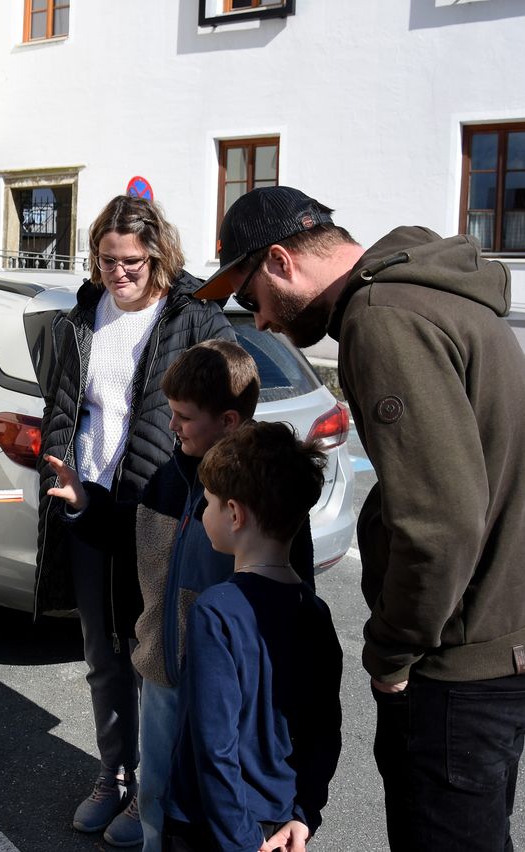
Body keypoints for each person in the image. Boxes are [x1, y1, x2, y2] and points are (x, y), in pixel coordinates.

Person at [196, 184, 525, 851]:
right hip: (499, 644)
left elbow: (440, 524)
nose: (256, 322)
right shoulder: (435, 298)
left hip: (455, 671)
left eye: (250, 297)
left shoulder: (382, 319)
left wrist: (392, 654)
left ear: (282, 261)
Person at [46, 339, 317, 850]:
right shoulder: (170, 478)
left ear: (230, 421)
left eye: (184, 417)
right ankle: (151, 825)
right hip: (164, 671)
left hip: (226, 683)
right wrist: (86, 503)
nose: (172, 426)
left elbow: (292, 594)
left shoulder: (261, 497)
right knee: (159, 793)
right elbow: (133, 533)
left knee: (209, 790)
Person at [36, 194, 234, 846]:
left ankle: (151, 790)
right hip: (87, 501)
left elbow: (235, 382)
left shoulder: (188, 316)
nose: (119, 273)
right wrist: (54, 463)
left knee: (154, 657)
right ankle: (112, 775)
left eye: (132, 262)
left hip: (157, 507)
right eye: (107, 260)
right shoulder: (83, 315)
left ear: (157, 255)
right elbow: (65, 405)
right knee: (102, 655)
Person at [162, 421, 342, 852]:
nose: (204, 513)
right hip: (278, 817)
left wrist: (240, 841)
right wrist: (305, 813)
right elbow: (324, 731)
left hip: (208, 823)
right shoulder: (316, 614)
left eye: (207, 503)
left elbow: (214, 743)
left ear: (235, 514)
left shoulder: (216, 611)